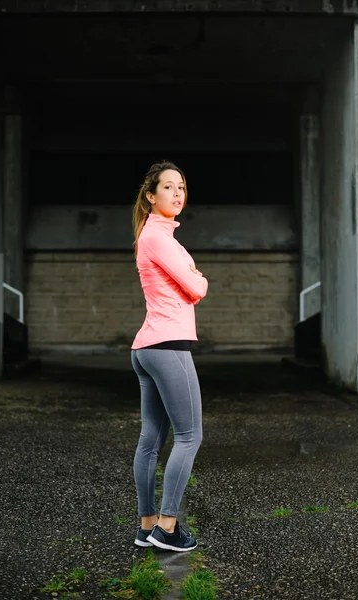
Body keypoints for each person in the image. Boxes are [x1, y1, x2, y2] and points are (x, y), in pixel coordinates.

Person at [131, 160, 208, 552]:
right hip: (167, 346)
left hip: (147, 347)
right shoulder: (159, 238)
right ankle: (167, 528)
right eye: (168, 187)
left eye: (181, 187)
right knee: (190, 436)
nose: (177, 193)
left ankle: (146, 527)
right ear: (150, 196)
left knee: (151, 439)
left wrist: (191, 273)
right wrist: (198, 274)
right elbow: (196, 288)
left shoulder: (152, 236)